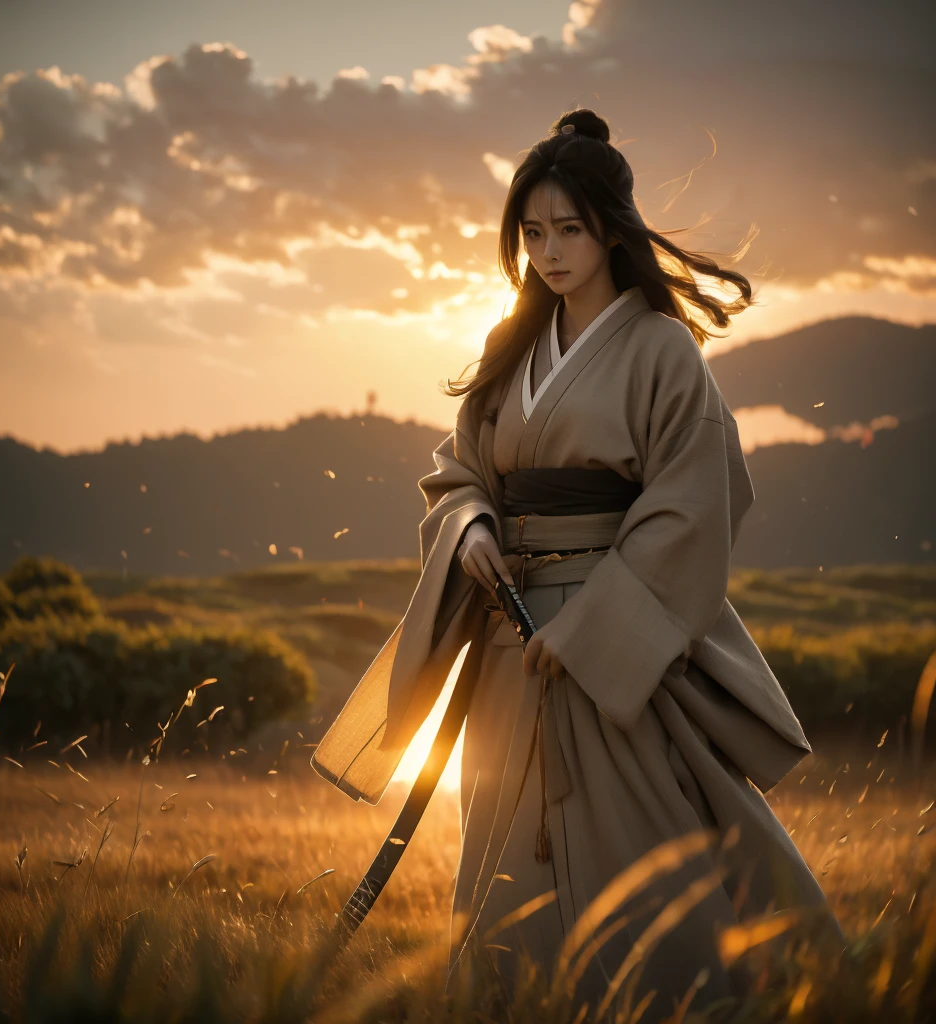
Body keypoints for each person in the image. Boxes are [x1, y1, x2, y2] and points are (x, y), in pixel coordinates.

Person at [311, 108, 841, 1019]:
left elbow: (694, 505)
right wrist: (473, 524)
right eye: (533, 232)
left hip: (611, 653)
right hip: (509, 646)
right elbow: (460, 468)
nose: (549, 251)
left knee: (637, 848)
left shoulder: (663, 350)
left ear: (611, 229)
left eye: (569, 229)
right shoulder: (511, 346)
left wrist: (592, 630)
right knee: (503, 853)